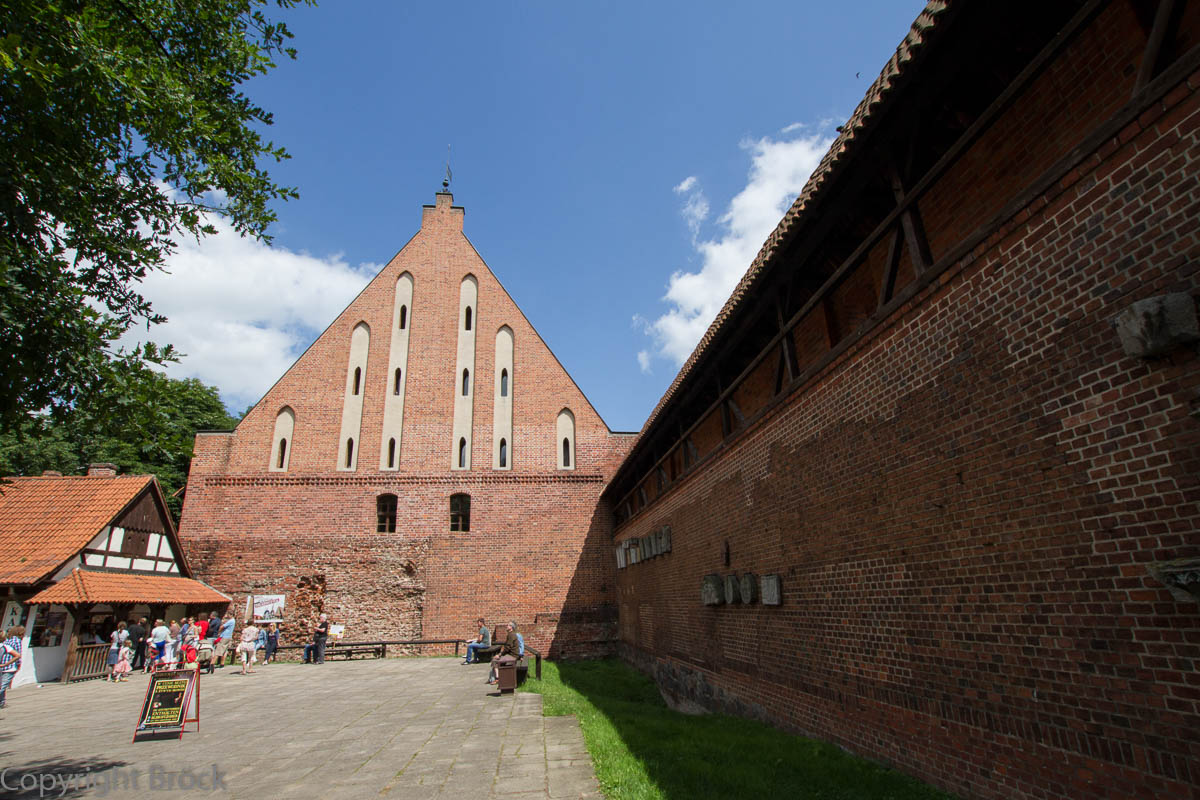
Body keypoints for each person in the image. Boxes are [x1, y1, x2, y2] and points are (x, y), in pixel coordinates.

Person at [486, 621, 522, 685]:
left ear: (511, 627)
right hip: (512, 655)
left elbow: (508, 648)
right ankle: (494, 678)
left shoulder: (511, 635)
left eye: (508, 625)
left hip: (513, 656)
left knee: (496, 661)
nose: (506, 626)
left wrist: (499, 655)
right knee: (495, 660)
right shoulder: (511, 634)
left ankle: (497, 679)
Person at [0, 625, 24, 708]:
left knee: (2, 685)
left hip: (2, 666)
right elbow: (18, 654)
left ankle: (2, 702)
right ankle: (1, 702)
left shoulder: (7, 640)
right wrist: (18, 665)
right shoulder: (17, 641)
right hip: (9, 667)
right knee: (2, 686)